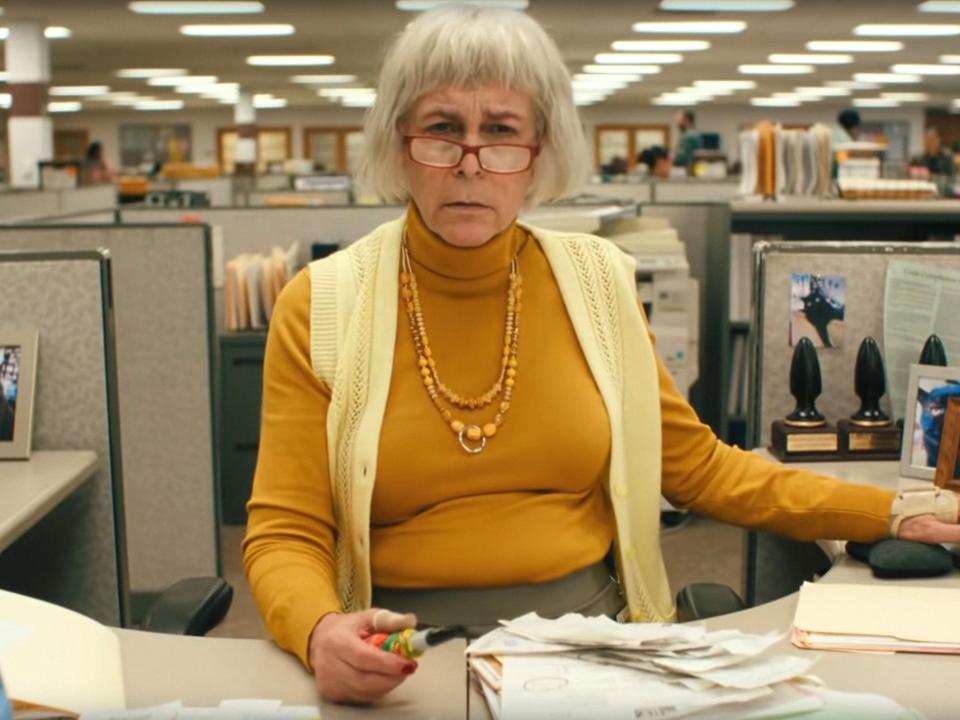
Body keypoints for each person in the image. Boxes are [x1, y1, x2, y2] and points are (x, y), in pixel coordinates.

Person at [243, 5, 960, 705]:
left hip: (590, 644)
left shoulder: (596, 283)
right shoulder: (323, 303)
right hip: (398, 657)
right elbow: (286, 530)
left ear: (539, 154)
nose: (469, 163)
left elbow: (700, 468)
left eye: (501, 132)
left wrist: (890, 513)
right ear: (400, 145)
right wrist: (319, 631)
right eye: (440, 130)